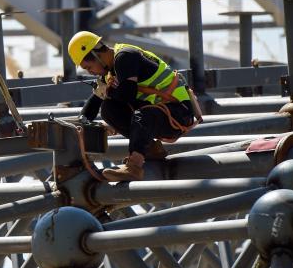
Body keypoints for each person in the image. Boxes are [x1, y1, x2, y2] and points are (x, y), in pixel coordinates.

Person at [67, 31, 202, 182]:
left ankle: (134, 167)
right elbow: (95, 103)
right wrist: (81, 124)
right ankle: (151, 149)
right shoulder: (111, 70)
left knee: (143, 115)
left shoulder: (125, 57)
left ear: (97, 55)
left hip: (180, 113)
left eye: (89, 67)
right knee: (109, 109)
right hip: (160, 114)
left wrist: (108, 91)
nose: (90, 72)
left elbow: (127, 94)